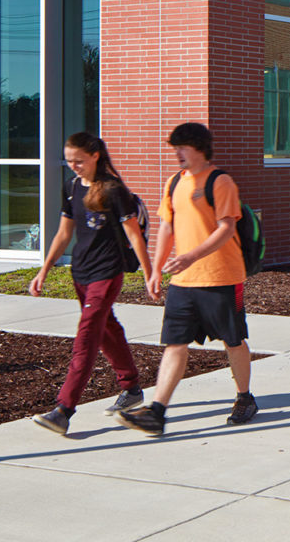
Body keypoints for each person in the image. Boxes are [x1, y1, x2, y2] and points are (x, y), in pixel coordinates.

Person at [115, 121, 257, 436]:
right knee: (174, 344)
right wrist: (154, 269)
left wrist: (191, 255)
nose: (177, 153)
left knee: (232, 341)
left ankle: (244, 398)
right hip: (183, 282)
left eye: (183, 147)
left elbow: (226, 229)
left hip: (222, 277)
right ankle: (157, 411)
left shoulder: (221, 182)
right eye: (175, 147)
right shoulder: (174, 183)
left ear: (200, 148)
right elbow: (166, 227)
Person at [29, 132, 152, 436]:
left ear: (95, 155)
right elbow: (62, 234)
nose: (73, 166)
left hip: (107, 274)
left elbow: (134, 235)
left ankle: (63, 409)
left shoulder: (113, 190)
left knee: (86, 337)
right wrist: (43, 270)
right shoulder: (72, 187)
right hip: (80, 273)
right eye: (69, 160)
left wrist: (151, 274)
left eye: (79, 161)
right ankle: (132, 387)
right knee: (106, 329)